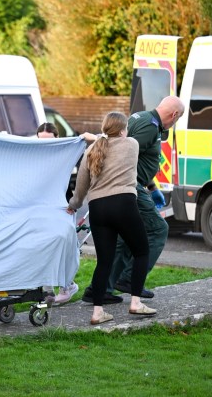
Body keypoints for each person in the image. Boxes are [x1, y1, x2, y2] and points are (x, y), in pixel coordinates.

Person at [82, 96, 185, 303]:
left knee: (123, 240)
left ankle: (100, 290)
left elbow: (137, 158)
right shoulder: (149, 127)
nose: (176, 123)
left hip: (132, 186)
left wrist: (152, 186)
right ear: (174, 115)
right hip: (129, 187)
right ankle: (129, 279)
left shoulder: (143, 118)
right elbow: (122, 152)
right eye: (178, 118)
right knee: (158, 229)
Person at [68, 112, 155, 325]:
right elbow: (116, 140)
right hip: (123, 204)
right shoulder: (131, 144)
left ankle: (97, 312)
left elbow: (81, 188)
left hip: (97, 208)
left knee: (104, 261)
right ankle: (135, 302)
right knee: (142, 251)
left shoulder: (91, 150)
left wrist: (73, 206)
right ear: (124, 129)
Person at [36, 122, 79, 305]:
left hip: (63, 206)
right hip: (40, 207)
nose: (45, 144)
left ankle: (67, 284)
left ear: (57, 139)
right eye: (41, 140)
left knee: (64, 246)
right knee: (41, 246)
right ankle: (47, 289)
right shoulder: (32, 155)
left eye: (49, 140)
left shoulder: (65, 155)